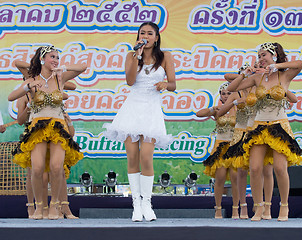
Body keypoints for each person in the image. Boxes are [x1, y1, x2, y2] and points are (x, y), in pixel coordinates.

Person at [103, 22, 176, 222]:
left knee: (146, 156)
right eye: (142, 33)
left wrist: (165, 84)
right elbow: (129, 81)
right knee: (132, 156)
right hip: (132, 108)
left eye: (149, 33)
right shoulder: (131, 55)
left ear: (157, 37)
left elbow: (173, 84)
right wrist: (137, 55)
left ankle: (147, 202)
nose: (145, 36)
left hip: (151, 109)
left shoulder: (166, 57)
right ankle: (136, 204)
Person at [227, 42, 302, 221]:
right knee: (254, 168)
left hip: (279, 126)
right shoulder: (256, 79)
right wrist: (245, 74)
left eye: (264, 55)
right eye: (259, 56)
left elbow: (300, 64)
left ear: (273, 55)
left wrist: (276, 66)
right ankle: (259, 207)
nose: (261, 59)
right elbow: (232, 88)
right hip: (259, 126)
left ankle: (284, 206)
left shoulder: (284, 76)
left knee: (279, 167)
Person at [8, 45, 86, 220]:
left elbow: (82, 68)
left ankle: (55, 205)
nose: (56, 60)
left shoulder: (60, 77)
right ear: (43, 59)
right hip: (38, 127)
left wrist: (63, 68)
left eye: (58, 57)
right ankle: (39, 207)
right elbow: (11, 97)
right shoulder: (31, 79)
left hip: (58, 126)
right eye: (52, 57)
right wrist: (28, 87)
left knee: (57, 167)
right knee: (36, 169)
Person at [197, 82, 241, 219]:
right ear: (220, 96)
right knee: (220, 178)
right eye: (223, 93)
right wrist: (213, 108)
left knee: (235, 178)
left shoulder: (238, 108)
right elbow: (199, 113)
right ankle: (218, 208)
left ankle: (235, 209)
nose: (226, 95)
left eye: (229, 93)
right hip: (220, 146)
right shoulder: (218, 110)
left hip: (234, 146)